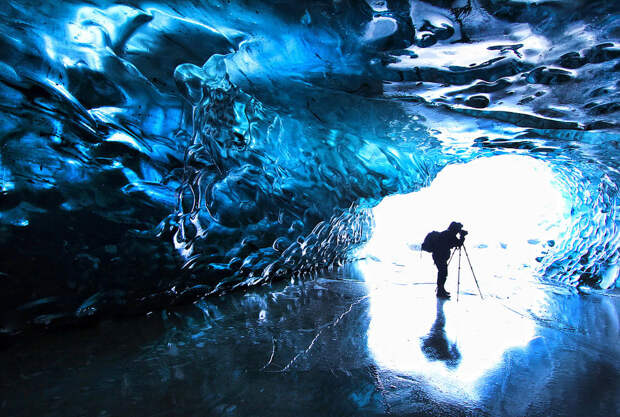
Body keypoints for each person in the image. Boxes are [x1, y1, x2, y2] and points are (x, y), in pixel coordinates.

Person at [431, 221, 467, 298]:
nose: (458, 231)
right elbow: (458, 243)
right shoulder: (450, 234)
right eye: (458, 229)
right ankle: (440, 291)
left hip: (438, 256)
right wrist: (462, 237)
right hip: (440, 256)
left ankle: (441, 290)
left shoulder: (447, 233)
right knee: (443, 273)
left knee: (442, 273)